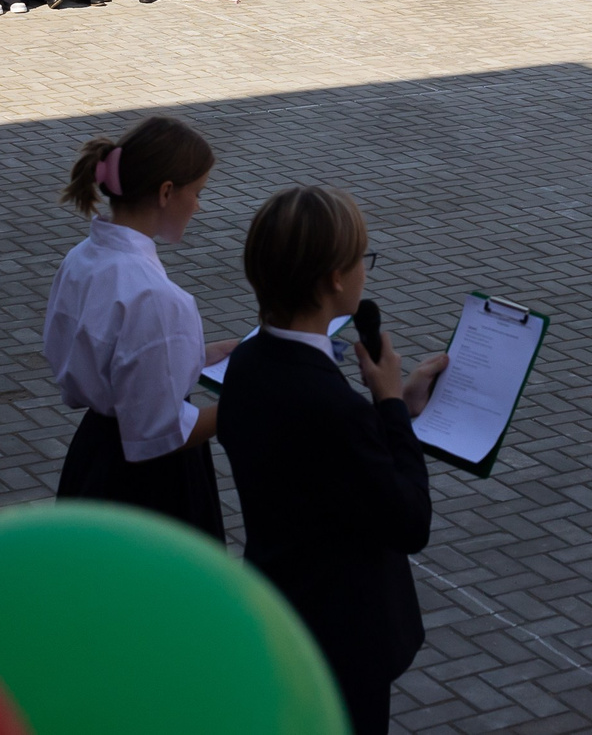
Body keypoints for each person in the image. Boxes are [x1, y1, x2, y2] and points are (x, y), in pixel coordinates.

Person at [218, 187, 446, 735]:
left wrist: (392, 411)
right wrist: (389, 404)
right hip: (341, 641)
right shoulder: (333, 407)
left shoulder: (247, 363)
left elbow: (323, 469)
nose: (366, 271)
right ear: (336, 279)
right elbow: (409, 521)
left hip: (280, 614)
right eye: (362, 258)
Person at [44, 118, 232, 538]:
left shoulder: (81, 259)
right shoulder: (157, 298)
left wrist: (200, 355)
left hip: (92, 457)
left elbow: (113, 362)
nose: (198, 206)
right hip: (149, 489)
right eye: (197, 193)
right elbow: (161, 432)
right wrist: (244, 401)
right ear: (166, 192)